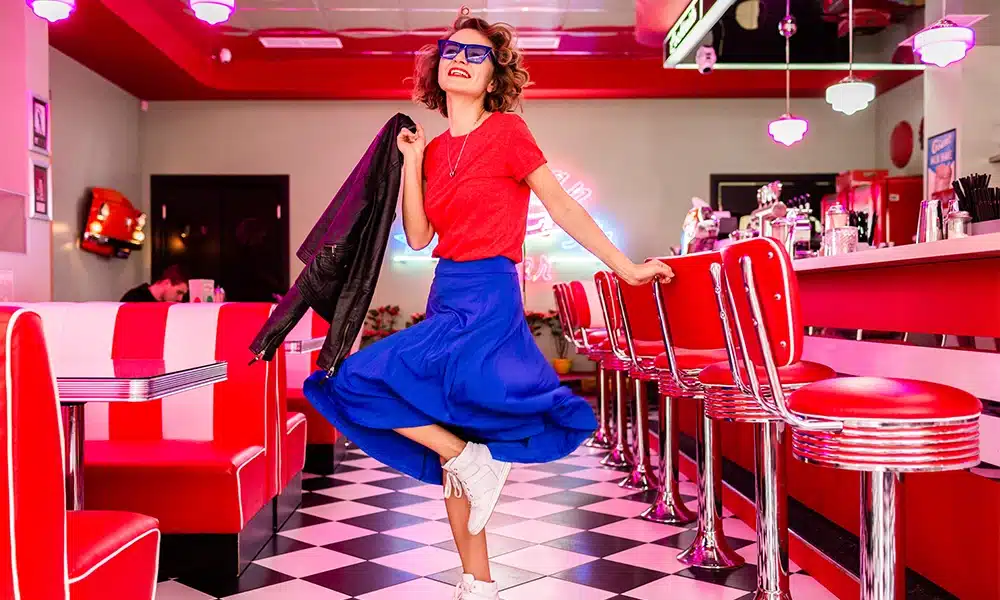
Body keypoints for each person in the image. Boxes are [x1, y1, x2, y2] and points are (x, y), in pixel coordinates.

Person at [302, 12, 673, 600]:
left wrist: (625, 268)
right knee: (444, 435)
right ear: (437, 67)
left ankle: (470, 472)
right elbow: (420, 237)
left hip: (489, 295)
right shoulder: (435, 146)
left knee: (354, 377)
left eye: (477, 55)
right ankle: (477, 581)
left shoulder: (507, 134)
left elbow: (563, 206)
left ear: (495, 75)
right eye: (452, 50)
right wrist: (411, 165)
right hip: (445, 291)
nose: (461, 59)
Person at [120, 265, 189, 302]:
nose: (180, 299)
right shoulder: (134, 298)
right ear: (166, 282)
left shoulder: (170, 305)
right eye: (179, 292)